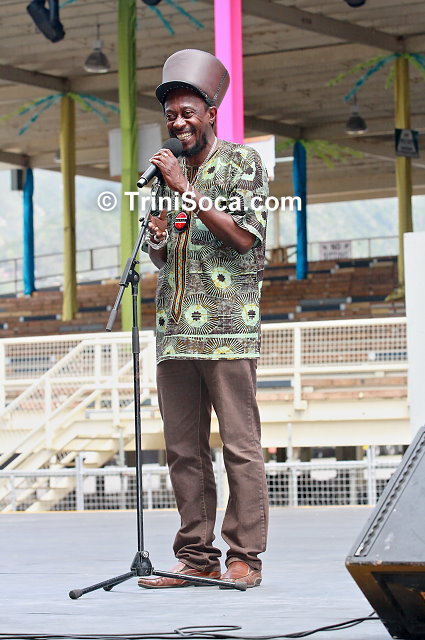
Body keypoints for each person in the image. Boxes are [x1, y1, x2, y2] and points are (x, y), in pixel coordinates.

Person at [137, 49, 269, 589]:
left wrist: (187, 191)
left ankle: (245, 557)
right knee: (183, 452)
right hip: (173, 333)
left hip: (228, 330)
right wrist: (158, 240)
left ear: (211, 114)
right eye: (171, 115)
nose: (178, 123)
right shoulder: (163, 176)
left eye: (188, 113)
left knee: (240, 447)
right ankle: (196, 556)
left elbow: (243, 239)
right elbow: (162, 256)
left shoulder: (242, 163)